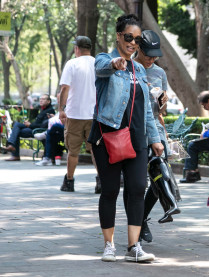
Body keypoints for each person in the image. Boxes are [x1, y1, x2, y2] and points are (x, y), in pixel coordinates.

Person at [87, 14, 164, 263]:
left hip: (136, 138)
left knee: (137, 189)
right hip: (108, 135)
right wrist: (114, 65)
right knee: (109, 190)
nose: (133, 43)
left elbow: (146, 111)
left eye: (137, 39)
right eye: (129, 37)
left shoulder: (140, 69)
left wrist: (155, 138)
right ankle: (109, 245)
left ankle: (134, 246)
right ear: (119, 36)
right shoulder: (104, 59)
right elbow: (100, 69)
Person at [133, 29, 181, 243]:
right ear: (138, 49)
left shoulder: (159, 73)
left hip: (155, 127)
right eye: (148, 54)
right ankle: (136, 223)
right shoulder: (128, 67)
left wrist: (163, 101)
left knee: (159, 176)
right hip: (134, 129)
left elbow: (161, 111)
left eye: (155, 55)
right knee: (137, 182)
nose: (152, 58)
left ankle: (142, 219)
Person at [58, 36, 99, 192]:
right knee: (96, 150)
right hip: (94, 115)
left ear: (76, 49)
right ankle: (100, 182)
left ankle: (69, 182)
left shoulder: (72, 64)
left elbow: (65, 89)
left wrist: (61, 109)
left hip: (74, 114)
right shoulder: (98, 63)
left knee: (73, 152)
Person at [180, 91, 209, 183]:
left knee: (192, 145)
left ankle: (192, 174)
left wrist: (204, 134)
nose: (204, 108)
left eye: (204, 105)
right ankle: (193, 173)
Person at [3, 94, 55, 161]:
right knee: (17, 126)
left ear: (48, 101)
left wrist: (30, 125)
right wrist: (29, 123)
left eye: (43, 99)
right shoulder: (43, 109)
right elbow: (37, 123)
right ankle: (12, 146)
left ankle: (13, 151)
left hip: (39, 131)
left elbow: (43, 125)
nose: (41, 100)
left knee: (16, 129)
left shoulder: (49, 111)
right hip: (34, 128)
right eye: (40, 99)